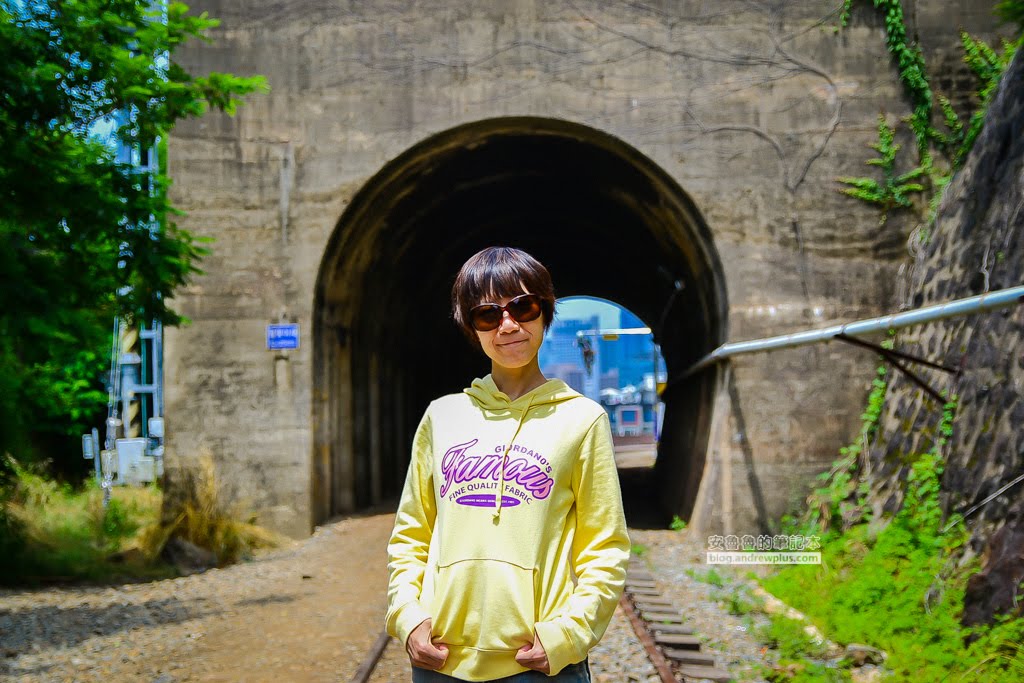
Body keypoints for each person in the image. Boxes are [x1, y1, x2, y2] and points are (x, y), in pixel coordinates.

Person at [385, 246, 631, 682]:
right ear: (470, 327)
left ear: (544, 312)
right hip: (441, 661)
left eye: (523, 306)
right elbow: (411, 535)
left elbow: (605, 546)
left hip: (538, 664)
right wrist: (408, 618)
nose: (509, 324)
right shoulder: (441, 417)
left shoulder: (582, 419)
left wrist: (569, 634)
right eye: (488, 314)